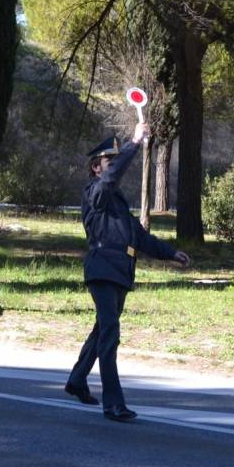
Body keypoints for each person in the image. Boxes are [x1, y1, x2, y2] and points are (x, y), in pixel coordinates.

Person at [65, 122, 190, 422]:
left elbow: (140, 237)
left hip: (120, 273)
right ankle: (113, 403)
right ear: (97, 168)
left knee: (102, 331)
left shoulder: (117, 202)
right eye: (110, 162)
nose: (114, 167)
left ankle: (77, 380)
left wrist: (171, 253)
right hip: (103, 271)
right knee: (110, 334)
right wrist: (134, 143)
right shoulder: (95, 192)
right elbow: (111, 179)